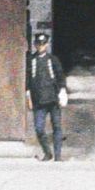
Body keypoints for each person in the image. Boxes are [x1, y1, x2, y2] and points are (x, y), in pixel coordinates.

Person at [26, 30, 66, 161]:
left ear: (47, 44)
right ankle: (47, 152)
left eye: (43, 44)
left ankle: (58, 155)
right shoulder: (30, 60)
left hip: (53, 99)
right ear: (35, 44)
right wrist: (28, 97)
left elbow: (60, 76)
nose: (40, 46)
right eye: (38, 44)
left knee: (57, 127)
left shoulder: (53, 59)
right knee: (39, 128)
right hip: (38, 100)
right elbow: (27, 80)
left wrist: (62, 91)